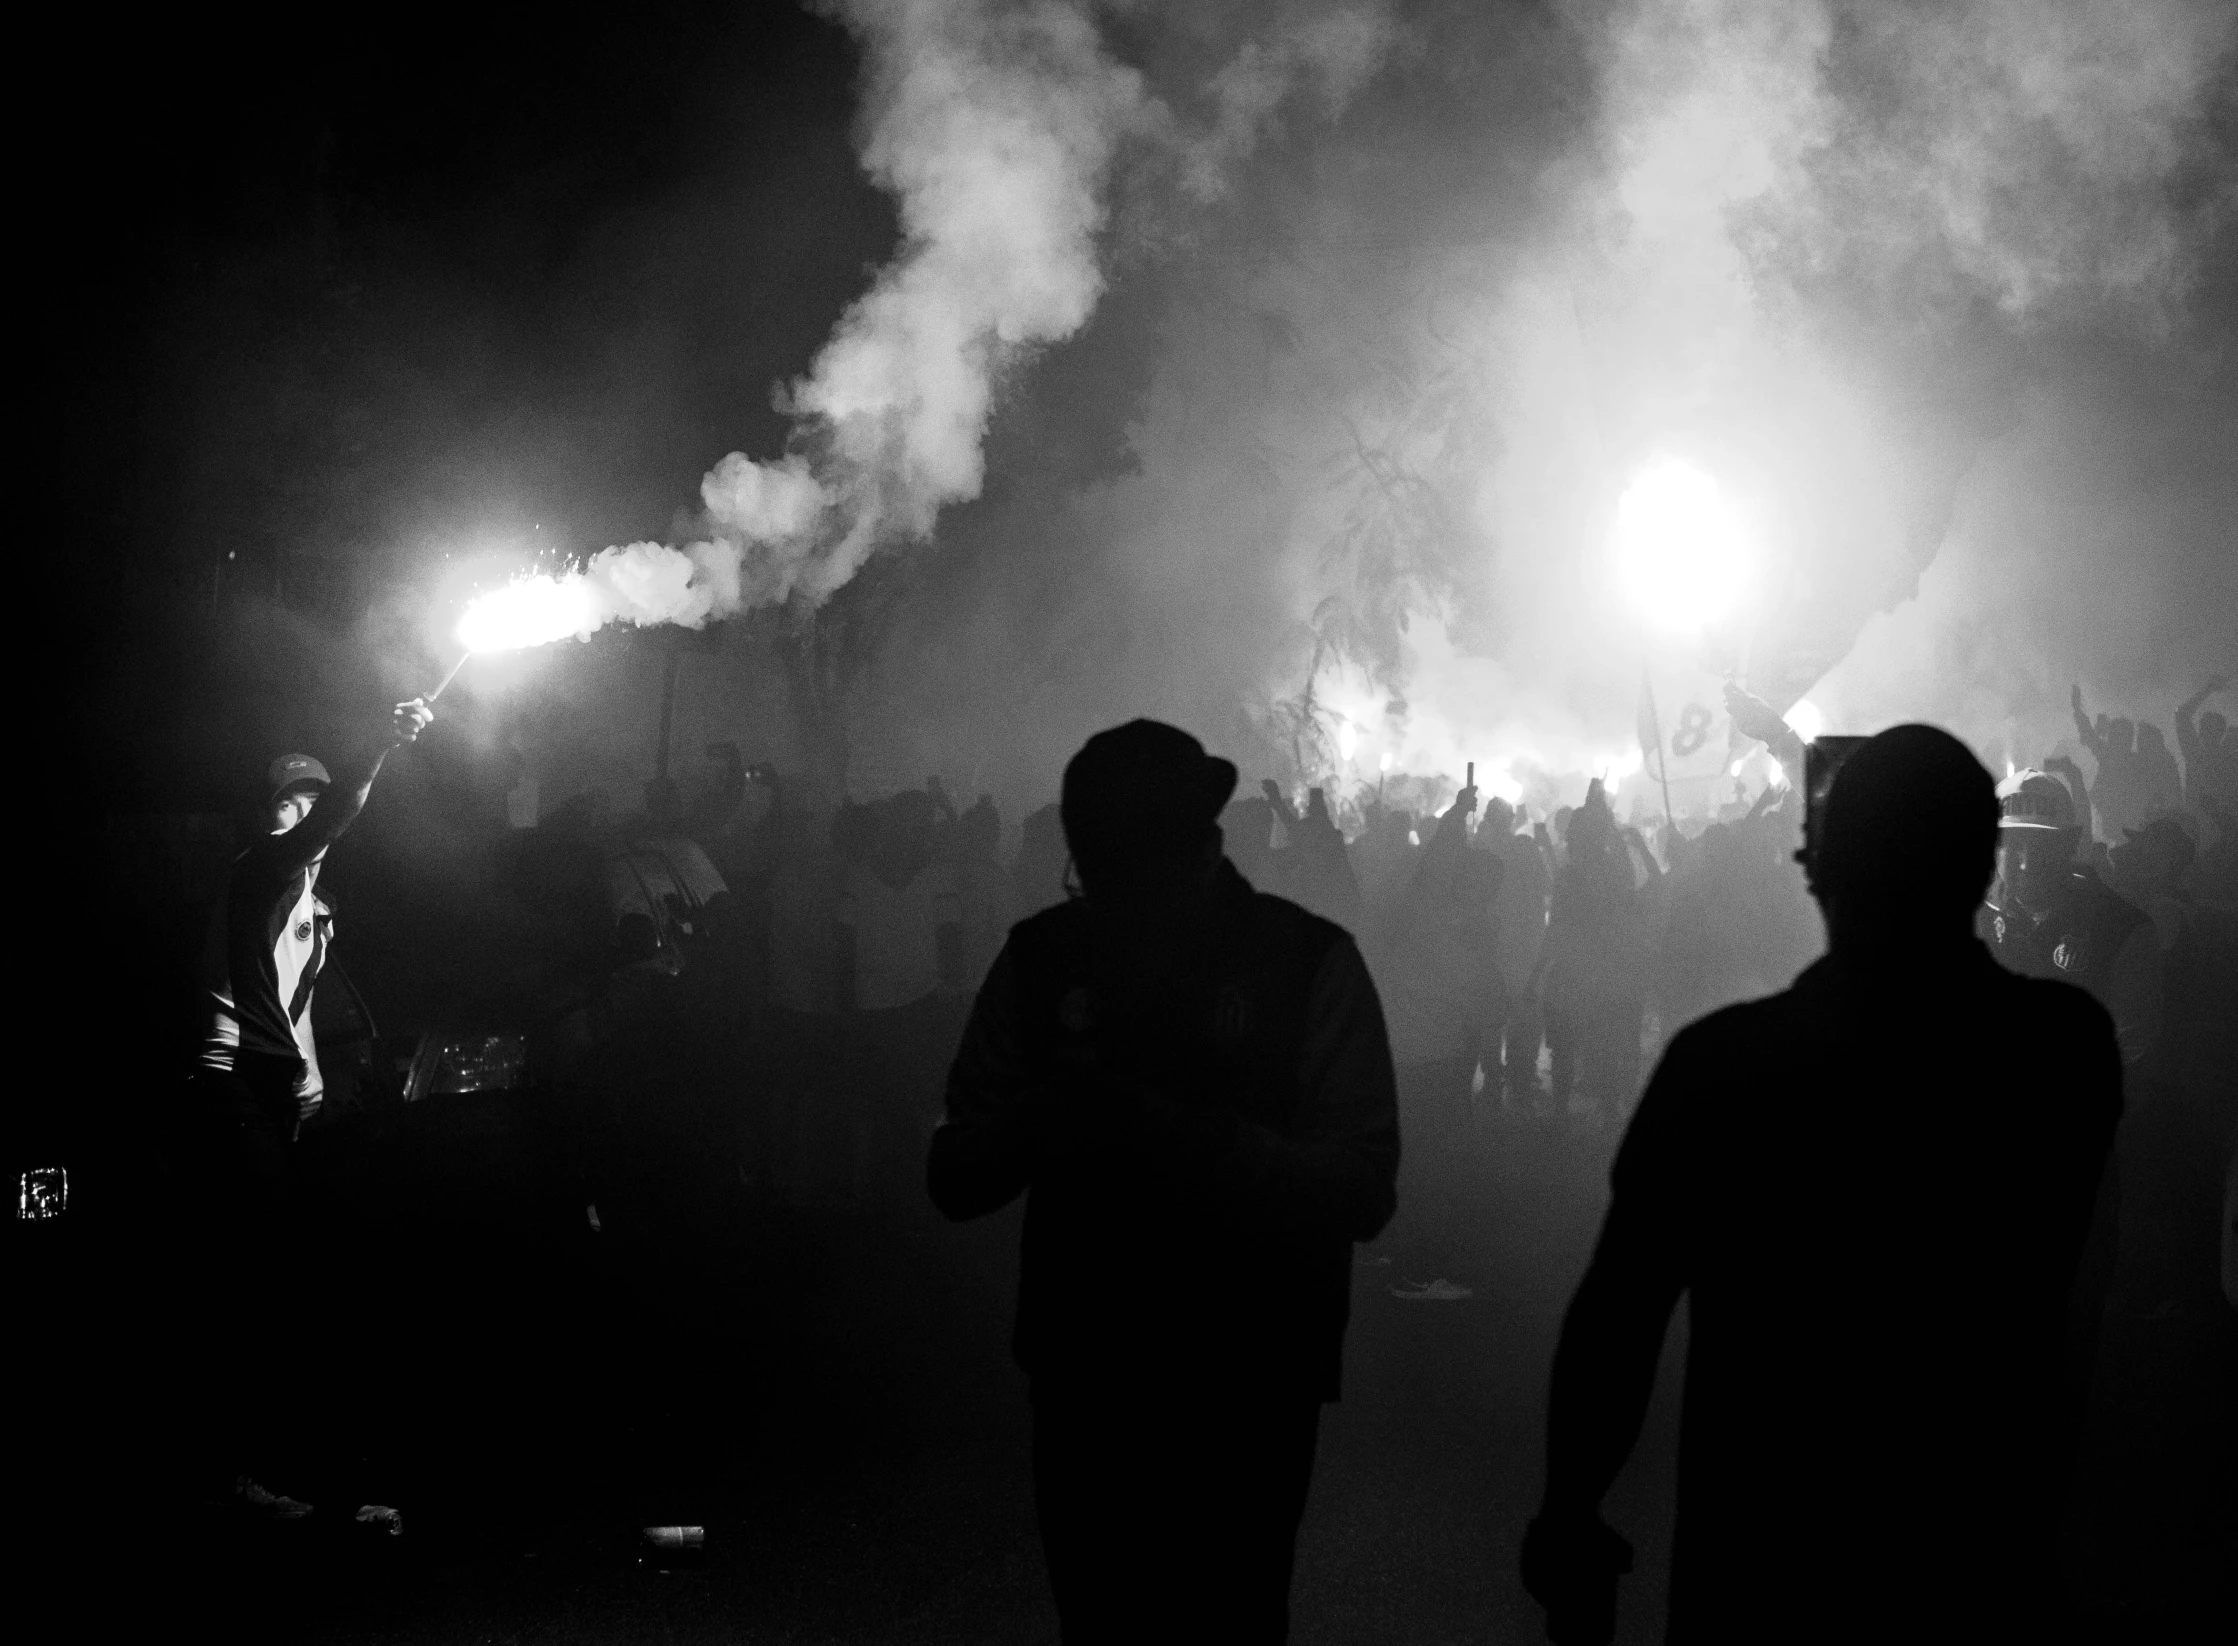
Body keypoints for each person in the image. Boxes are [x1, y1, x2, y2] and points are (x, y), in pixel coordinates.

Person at [1521, 725, 2121, 1643]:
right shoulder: (2064, 1053)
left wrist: (1569, 1513)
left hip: (1763, 1571)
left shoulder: (1721, 1070)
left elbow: (1619, 1315)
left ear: (1816, 871)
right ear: (1982, 868)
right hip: (1974, 1560)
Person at [926, 719, 1399, 1644]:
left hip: (1249, 1378)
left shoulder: (1306, 963)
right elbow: (953, 1170)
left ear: (1194, 846)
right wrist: (1048, 1114)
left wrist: (1203, 1142)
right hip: (1092, 1371)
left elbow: (1362, 1185)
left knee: (1230, 1619)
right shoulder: (1043, 958)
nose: (1100, 885)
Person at [189, 694, 433, 1516]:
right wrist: (378, 747)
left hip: (270, 1092)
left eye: (308, 794)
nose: (300, 809)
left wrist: (315, 1081)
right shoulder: (259, 870)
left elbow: (295, 1008)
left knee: (279, 1275)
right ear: (270, 817)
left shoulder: (315, 909)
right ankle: (229, 1474)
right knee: (249, 1279)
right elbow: (332, 816)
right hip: (227, 1088)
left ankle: (263, 1460)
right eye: (287, 800)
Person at [1981, 768, 2161, 1067]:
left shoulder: (2120, 929)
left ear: (2070, 844)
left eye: (2040, 846)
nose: (2025, 863)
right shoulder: (1974, 922)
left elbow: (2132, 1054)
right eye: (2013, 844)